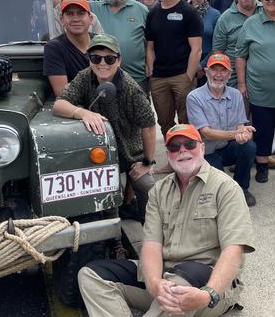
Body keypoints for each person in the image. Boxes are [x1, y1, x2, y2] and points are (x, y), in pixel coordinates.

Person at [77, 123, 255, 317]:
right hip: (167, 278)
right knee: (91, 275)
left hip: (206, 286)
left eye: (189, 144)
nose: (182, 150)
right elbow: (151, 245)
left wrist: (208, 294)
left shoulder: (226, 188)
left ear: (202, 148)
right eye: (174, 147)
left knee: (178, 286)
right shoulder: (158, 191)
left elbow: (234, 250)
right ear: (168, 154)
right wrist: (154, 284)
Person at [52, 33, 157, 223]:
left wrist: (147, 163)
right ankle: (114, 239)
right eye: (95, 57)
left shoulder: (131, 89)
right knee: (107, 191)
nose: (102, 63)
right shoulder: (85, 77)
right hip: (100, 155)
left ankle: (151, 229)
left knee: (148, 187)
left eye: (109, 58)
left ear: (119, 60)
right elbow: (59, 104)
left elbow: (149, 126)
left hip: (129, 151)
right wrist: (83, 113)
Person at [236, 0, 275, 184]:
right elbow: (240, 55)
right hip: (259, 88)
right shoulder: (251, 23)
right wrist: (242, 84)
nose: (270, 1)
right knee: (263, 130)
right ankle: (261, 167)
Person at [187, 54, 257, 207]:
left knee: (249, 147)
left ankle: (242, 189)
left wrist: (244, 134)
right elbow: (206, 132)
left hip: (226, 147)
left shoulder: (236, 95)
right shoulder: (194, 97)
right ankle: (223, 191)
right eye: (214, 70)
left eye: (223, 70)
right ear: (206, 72)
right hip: (205, 153)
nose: (218, 74)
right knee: (220, 192)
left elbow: (240, 124)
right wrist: (236, 133)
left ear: (229, 74)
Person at [145, 0, 203, 138]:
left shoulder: (189, 12)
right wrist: (152, 73)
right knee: (164, 122)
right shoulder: (152, 14)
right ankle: (173, 158)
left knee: (187, 121)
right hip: (159, 78)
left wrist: (188, 77)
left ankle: (191, 161)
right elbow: (150, 47)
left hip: (182, 76)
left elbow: (197, 49)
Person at [92, 0, 150, 94]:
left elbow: (150, 42)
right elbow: (67, 4)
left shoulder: (141, 9)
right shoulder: (93, 8)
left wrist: (149, 65)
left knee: (140, 113)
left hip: (137, 78)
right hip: (103, 79)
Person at [211, 0, 261, 88]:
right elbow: (218, 52)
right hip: (233, 81)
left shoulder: (266, 12)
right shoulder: (225, 18)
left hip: (262, 80)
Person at [44, 0, 94, 96]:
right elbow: (62, 93)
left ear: (90, 19)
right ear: (62, 19)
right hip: (74, 107)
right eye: (69, 14)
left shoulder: (102, 43)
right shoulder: (54, 48)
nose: (75, 19)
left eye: (81, 13)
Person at [187, 0, 221, 87]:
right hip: (183, 65)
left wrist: (201, 65)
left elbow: (217, 44)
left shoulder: (215, 14)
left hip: (207, 68)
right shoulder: (182, 11)